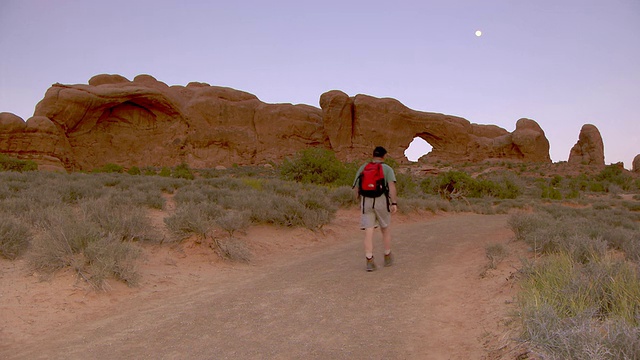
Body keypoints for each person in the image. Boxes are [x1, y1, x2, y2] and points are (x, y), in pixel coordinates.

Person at [352, 146, 398, 272]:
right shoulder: (387, 169)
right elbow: (391, 186)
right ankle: (387, 256)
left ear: (373, 155)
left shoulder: (363, 167)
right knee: (385, 228)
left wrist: (359, 201)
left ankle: (369, 260)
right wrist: (394, 203)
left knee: (368, 231)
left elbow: (356, 187)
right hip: (381, 201)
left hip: (366, 201)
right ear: (384, 156)